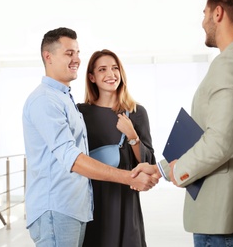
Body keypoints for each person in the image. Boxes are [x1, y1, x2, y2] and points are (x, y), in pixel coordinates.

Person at [132, 0, 233, 246]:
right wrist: (162, 170)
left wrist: (180, 171)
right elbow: (220, 138)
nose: (202, 22)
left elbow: (221, 142)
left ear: (218, 13)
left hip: (224, 221)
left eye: (205, 13)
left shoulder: (230, 63)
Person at [22, 27, 158, 247]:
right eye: (69, 53)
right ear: (48, 56)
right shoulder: (50, 101)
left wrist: (132, 137)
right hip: (62, 207)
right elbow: (72, 157)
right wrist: (129, 177)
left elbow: (147, 161)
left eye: (77, 52)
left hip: (83, 207)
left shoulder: (65, 100)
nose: (76, 58)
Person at [77, 49, 156, 247]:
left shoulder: (136, 112)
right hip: (90, 201)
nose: (110, 74)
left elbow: (148, 162)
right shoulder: (80, 113)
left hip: (125, 202)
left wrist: (133, 136)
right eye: (102, 69)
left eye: (114, 68)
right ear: (92, 77)